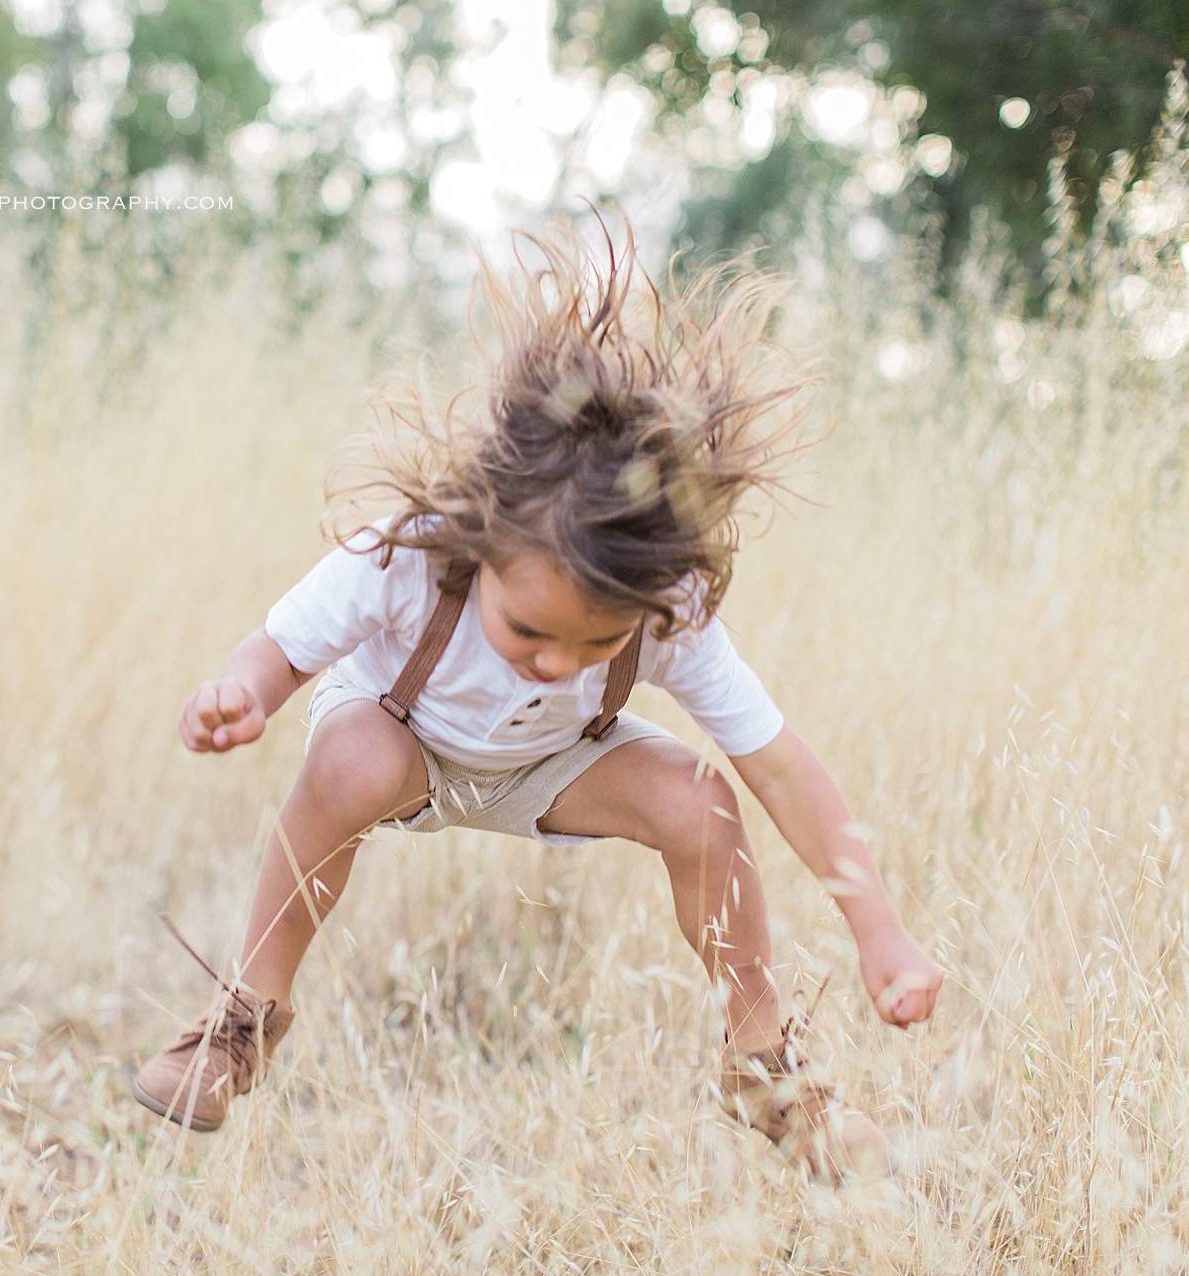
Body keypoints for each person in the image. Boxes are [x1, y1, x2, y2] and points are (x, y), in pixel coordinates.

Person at [130, 227, 943, 1181]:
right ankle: (241, 1022)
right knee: (352, 762)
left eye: (598, 644)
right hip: (403, 739)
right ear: (481, 541)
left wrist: (876, 925)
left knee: (702, 797)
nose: (557, 663)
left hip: (552, 767)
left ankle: (765, 1067)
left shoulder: (664, 603)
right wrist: (244, 696)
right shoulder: (411, 551)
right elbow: (280, 650)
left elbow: (781, 767)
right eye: (528, 633)